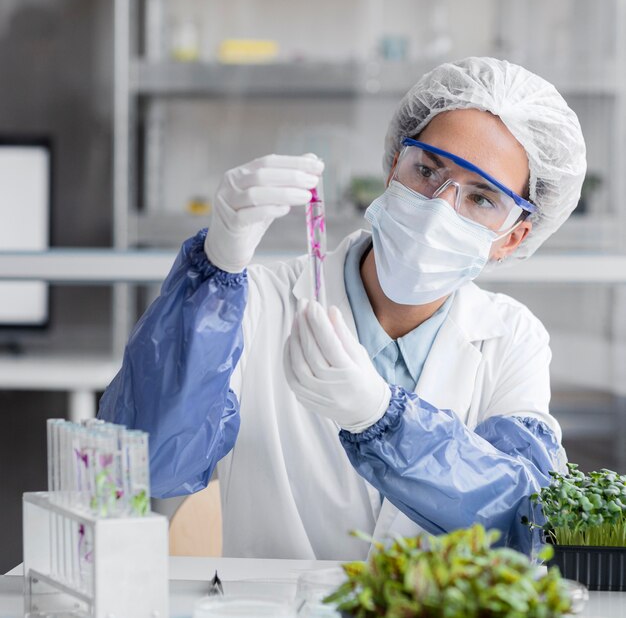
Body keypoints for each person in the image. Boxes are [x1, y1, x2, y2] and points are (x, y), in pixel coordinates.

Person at [99, 57, 586, 560]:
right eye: (426, 170)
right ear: (394, 165)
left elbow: (530, 522)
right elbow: (147, 464)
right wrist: (215, 271)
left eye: (481, 199)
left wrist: (379, 416)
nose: (440, 207)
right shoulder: (253, 304)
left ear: (514, 237)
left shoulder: (511, 338)